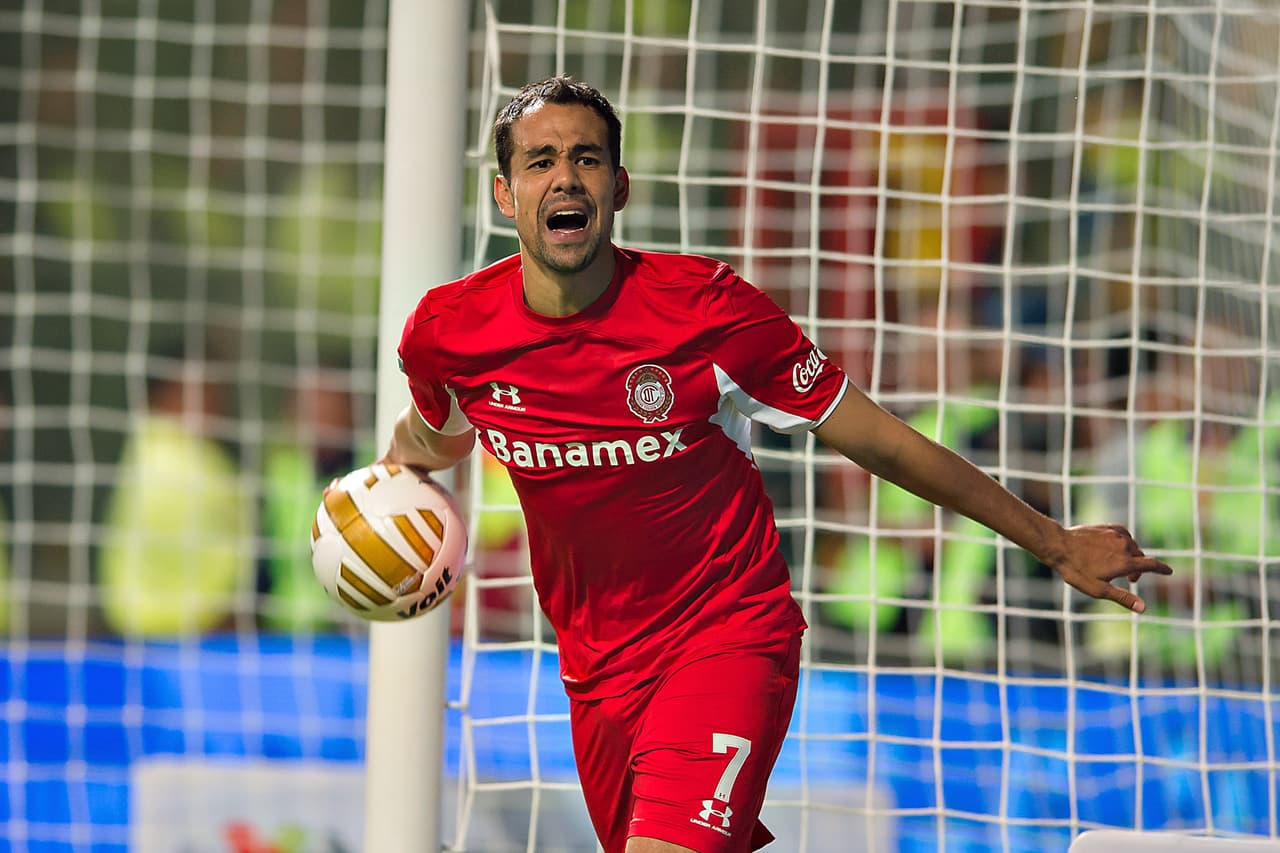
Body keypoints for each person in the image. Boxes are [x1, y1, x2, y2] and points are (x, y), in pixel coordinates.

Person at [382, 76, 1172, 853]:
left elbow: (879, 438)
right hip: (595, 671)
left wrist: (1053, 540)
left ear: (619, 187)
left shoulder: (705, 311)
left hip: (724, 635)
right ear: (504, 193)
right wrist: (385, 488)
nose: (565, 177)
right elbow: (435, 436)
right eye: (541, 160)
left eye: (587, 158)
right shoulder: (451, 335)